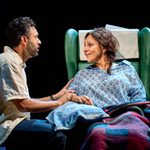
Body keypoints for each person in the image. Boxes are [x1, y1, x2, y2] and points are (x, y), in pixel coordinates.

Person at [47, 27, 147, 150]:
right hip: (96, 119)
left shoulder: (127, 69)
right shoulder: (82, 74)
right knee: (98, 134)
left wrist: (127, 110)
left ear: (103, 47)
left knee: (136, 135)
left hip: (126, 116)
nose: (85, 50)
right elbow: (69, 99)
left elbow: (139, 96)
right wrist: (77, 98)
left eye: (89, 45)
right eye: (84, 45)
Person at [0, 16, 92, 150]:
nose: (39, 42)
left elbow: (25, 101)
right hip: (8, 127)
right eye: (36, 37)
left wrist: (55, 96)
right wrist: (60, 102)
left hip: (16, 123)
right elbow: (24, 105)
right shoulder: (8, 62)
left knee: (64, 128)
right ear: (24, 40)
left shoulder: (14, 62)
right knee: (57, 134)